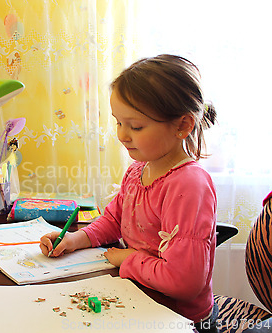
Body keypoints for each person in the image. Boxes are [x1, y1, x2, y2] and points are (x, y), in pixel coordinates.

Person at [40, 54, 218, 332]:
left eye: (135, 126)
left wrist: (129, 259)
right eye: (118, 123)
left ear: (183, 125)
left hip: (178, 318)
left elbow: (185, 282)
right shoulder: (138, 170)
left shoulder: (188, 185)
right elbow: (114, 220)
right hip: (138, 296)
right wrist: (76, 239)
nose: (122, 135)